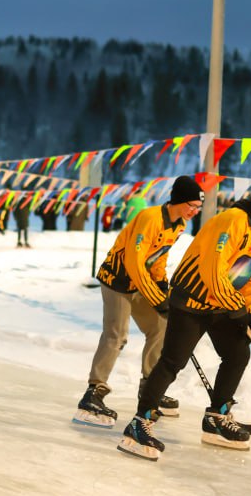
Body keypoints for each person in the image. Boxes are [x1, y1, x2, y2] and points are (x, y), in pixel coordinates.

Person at [119, 174, 251, 460]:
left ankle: (216, 417)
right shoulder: (233, 220)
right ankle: (140, 422)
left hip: (220, 302)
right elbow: (213, 269)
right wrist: (236, 309)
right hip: (191, 300)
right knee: (174, 361)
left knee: (238, 354)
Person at [75, 176, 203, 428]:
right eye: (192, 205)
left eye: (198, 208)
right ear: (178, 200)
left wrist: (163, 286)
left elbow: (158, 259)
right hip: (117, 281)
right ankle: (93, 393)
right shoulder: (149, 218)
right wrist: (156, 297)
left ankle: (150, 389)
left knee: (160, 327)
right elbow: (134, 262)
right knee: (117, 335)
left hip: (140, 282)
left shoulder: (178, 226)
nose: (194, 211)